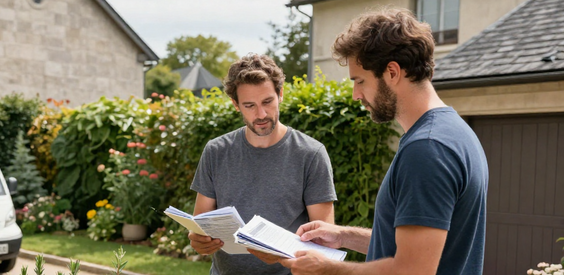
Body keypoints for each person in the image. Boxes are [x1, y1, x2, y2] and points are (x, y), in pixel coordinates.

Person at [256, 8, 489, 275]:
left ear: (392, 72)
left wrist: (327, 269)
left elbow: (411, 270)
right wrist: (343, 236)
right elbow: (420, 246)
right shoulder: (455, 133)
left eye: (360, 81)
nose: (356, 95)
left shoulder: (427, 149)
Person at [188, 53, 338, 275]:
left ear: (280, 94)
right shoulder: (216, 151)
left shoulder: (311, 154)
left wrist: (280, 253)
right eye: (249, 105)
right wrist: (198, 240)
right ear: (236, 105)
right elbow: (201, 223)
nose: (261, 114)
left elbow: (324, 240)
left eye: (267, 102)